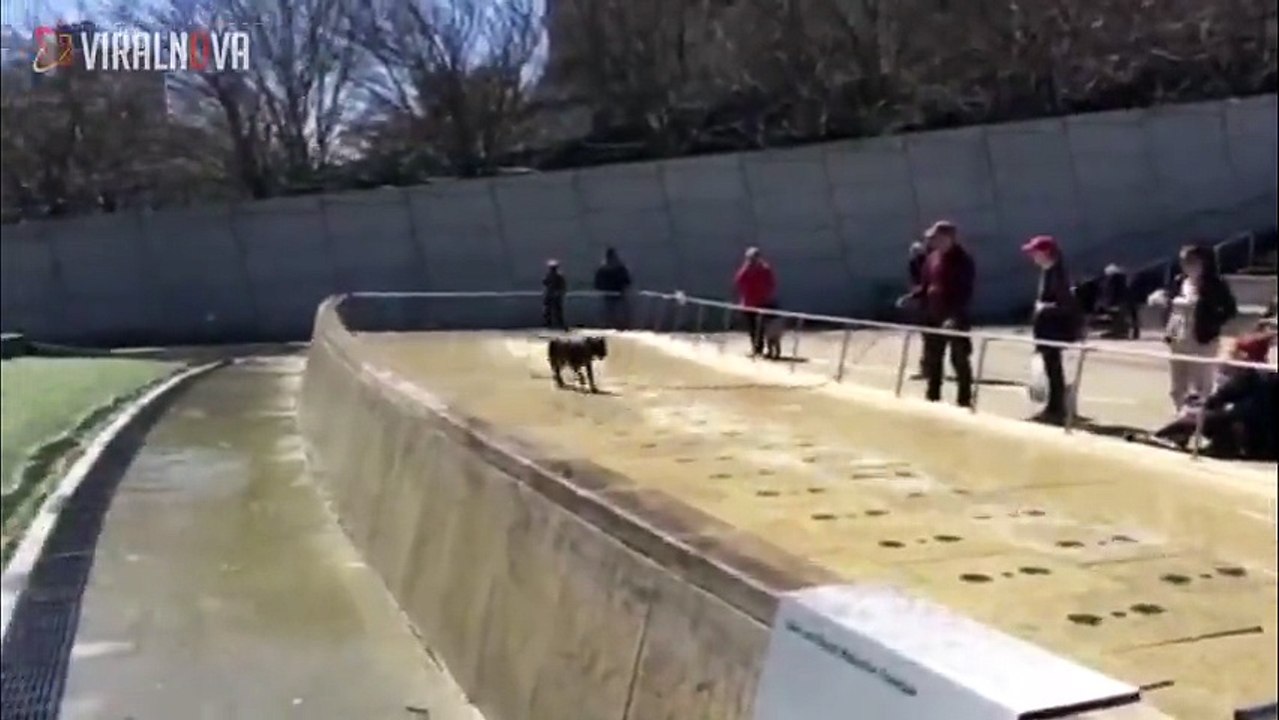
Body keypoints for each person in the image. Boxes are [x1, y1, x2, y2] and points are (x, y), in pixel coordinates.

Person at [1154, 332, 1277, 459]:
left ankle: (1161, 437)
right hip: (1267, 442)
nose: (1230, 356)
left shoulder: (1249, 376)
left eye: (1234, 352)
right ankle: (1218, 444)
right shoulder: (1268, 375)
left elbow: (1224, 401)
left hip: (1256, 442)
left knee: (1198, 417)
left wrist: (1201, 409)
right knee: (1213, 415)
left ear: (1244, 355)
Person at [1147, 245, 1238, 411]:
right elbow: (1170, 300)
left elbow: (1229, 310)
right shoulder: (1179, 281)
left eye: (1190, 261)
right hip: (1177, 337)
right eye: (1183, 261)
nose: (1186, 266)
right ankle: (1180, 417)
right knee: (1177, 385)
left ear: (1203, 262)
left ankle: (1201, 421)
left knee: (1201, 385)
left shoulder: (1214, 285)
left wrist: (1212, 322)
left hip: (1201, 340)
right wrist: (1162, 301)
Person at [897, 221, 975, 407]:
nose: (931, 241)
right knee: (934, 358)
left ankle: (964, 400)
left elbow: (965, 291)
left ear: (948, 238)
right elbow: (925, 285)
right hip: (932, 314)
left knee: (959, 359)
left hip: (954, 317)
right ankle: (933, 397)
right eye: (931, 238)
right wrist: (912, 296)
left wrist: (954, 316)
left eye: (936, 238)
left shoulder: (963, 260)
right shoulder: (932, 259)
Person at [1022, 235, 1082, 425]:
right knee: (1051, 370)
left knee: (1054, 370)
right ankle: (1054, 407)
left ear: (1046, 253)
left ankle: (1056, 408)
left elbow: (1066, 305)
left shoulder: (1057, 274)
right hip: (1048, 330)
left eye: (1035, 252)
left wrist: (1043, 308)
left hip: (1054, 331)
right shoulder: (1049, 272)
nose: (1033, 256)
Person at [733, 247, 778, 356]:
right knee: (752, 328)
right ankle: (756, 348)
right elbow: (738, 281)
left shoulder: (765, 269)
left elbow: (771, 284)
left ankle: (767, 349)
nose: (751, 260)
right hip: (749, 304)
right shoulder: (745, 269)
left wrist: (766, 295)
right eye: (749, 258)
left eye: (753, 258)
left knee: (763, 328)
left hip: (763, 303)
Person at [905, 240, 929, 378]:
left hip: (927, 304)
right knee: (929, 339)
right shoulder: (921, 263)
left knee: (929, 339)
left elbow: (920, 285)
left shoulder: (918, 264)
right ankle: (927, 368)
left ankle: (927, 369)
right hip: (925, 303)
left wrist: (912, 295)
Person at [593, 247, 633, 329]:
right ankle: (613, 324)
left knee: (614, 310)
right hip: (613, 294)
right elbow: (627, 281)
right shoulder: (618, 268)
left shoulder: (605, 269)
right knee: (612, 310)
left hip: (616, 294)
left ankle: (616, 324)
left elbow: (598, 283)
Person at [542, 259, 567, 330]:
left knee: (554, 309)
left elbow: (545, 282)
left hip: (553, 294)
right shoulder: (557, 275)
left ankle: (553, 323)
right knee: (551, 309)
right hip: (553, 294)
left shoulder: (554, 275)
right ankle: (553, 323)